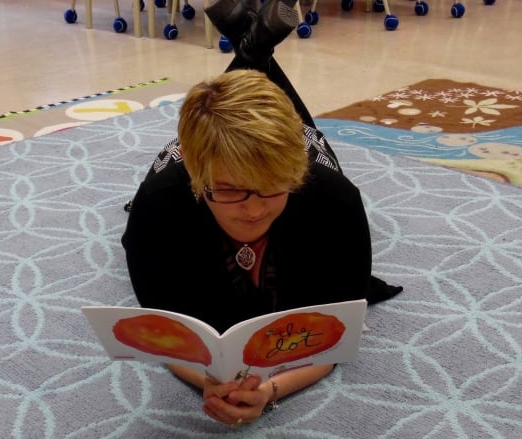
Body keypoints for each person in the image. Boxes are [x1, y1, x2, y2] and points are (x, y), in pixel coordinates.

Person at [121, 0, 403, 427]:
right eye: (231, 192)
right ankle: (254, 49)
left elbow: (333, 338)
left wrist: (269, 392)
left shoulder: (332, 199)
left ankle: (252, 50)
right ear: (199, 180)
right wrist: (208, 383)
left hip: (304, 157)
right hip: (191, 164)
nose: (253, 210)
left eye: (270, 189)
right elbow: (170, 336)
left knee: (293, 126)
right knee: (215, 122)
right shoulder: (160, 203)